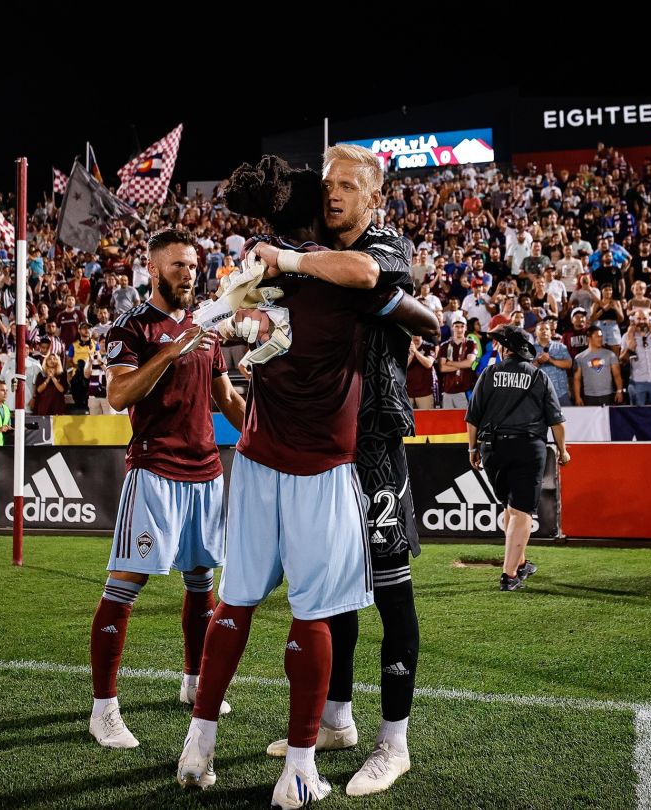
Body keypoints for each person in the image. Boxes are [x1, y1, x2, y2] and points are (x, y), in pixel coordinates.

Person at [180, 148, 435, 807]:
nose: (336, 194)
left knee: (390, 591)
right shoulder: (307, 249)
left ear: (374, 197)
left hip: (373, 442)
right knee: (332, 596)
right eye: (330, 184)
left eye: (351, 185)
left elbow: (372, 281)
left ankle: (395, 743)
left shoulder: (381, 245)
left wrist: (410, 311)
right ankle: (336, 720)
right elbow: (255, 305)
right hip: (322, 447)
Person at [88, 228, 246, 750]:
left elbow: (224, 395)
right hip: (155, 470)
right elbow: (118, 394)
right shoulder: (131, 326)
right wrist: (171, 352)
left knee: (201, 582)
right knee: (125, 585)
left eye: (193, 264)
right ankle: (104, 708)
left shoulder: (208, 326)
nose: (189, 272)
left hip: (206, 471)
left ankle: (194, 682)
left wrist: (265, 435)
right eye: (179, 265)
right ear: (154, 269)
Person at [465, 326, 569, 591]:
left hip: (492, 450)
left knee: (510, 508)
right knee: (521, 511)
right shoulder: (538, 377)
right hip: (527, 447)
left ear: (504, 348)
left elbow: (473, 417)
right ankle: (509, 575)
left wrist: (472, 449)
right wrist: (563, 450)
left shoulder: (489, 374)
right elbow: (556, 421)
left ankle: (520, 563)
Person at [574, 326, 623, 406]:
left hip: (607, 395)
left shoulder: (610, 354)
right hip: (589, 396)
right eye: (597, 336)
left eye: (601, 336)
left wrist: (619, 391)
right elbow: (577, 379)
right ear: (589, 338)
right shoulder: (579, 357)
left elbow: (617, 375)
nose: (600, 339)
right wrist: (577, 397)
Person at [436, 320, 478, 409]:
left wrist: (450, 363)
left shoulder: (471, 343)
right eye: (457, 326)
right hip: (448, 390)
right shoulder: (444, 345)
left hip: (465, 390)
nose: (459, 329)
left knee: (464, 420)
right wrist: (461, 364)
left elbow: (469, 363)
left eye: (462, 326)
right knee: (447, 421)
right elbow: (442, 368)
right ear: (452, 327)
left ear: (466, 328)